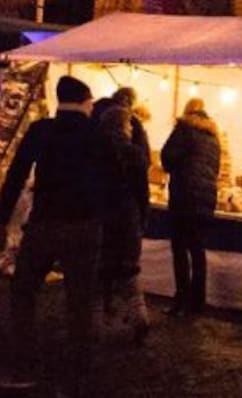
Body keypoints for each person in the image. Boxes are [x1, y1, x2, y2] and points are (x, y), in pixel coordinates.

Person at [0, 76, 102, 396]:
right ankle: (79, 367)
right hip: (84, 225)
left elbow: (16, 175)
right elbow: (114, 180)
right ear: (85, 100)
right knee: (80, 299)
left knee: (24, 292)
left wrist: (0, 220)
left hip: (44, 223)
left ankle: (24, 362)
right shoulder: (96, 133)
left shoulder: (42, 130)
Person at [93, 88, 152, 342]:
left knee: (100, 270)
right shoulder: (135, 154)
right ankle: (138, 316)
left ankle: (97, 323)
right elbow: (142, 191)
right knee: (129, 270)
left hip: (100, 216)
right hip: (127, 216)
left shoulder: (94, 153)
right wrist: (142, 217)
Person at [160, 98, 221, 316]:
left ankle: (181, 300)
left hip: (184, 196)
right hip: (206, 199)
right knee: (197, 249)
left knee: (179, 249)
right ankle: (198, 302)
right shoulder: (214, 137)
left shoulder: (184, 128)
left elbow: (167, 157)